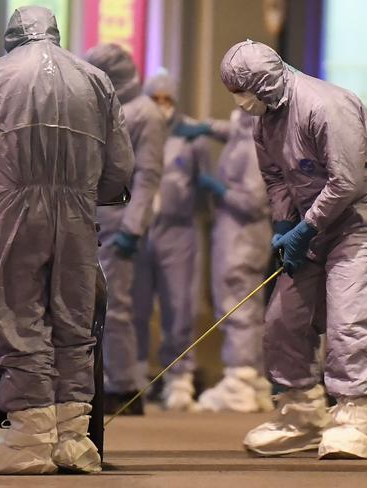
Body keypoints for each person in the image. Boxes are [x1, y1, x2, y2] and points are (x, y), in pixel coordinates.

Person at [0, 6, 134, 474]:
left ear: (12, 35)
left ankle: (30, 439)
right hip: (77, 211)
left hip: (14, 206)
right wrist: (93, 194)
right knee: (74, 319)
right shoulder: (94, 79)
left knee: (18, 313)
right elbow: (119, 165)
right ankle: (73, 439)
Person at [220, 39, 367, 459]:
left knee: (349, 316)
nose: (241, 102)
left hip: (363, 221)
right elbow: (276, 179)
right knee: (284, 317)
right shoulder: (265, 121)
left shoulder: (325, 106)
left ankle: (354, 415)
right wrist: (285, 225)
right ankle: (301, 413)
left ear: (264, 83)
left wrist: (305, 228)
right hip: (311, 221)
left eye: (243, 91)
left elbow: (347, 181)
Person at [85, 44, 166, 415]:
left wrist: (135, 225)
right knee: (96, 305)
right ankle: (104, 379)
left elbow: (148, 176)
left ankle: (124, 386)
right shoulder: (110, 107)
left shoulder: (145, 112)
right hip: (99, 217)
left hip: (122, 222)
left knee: (116, 306)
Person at [131, 70, 211, 410]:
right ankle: (131, 373)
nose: (162, 106)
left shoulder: (191, 135)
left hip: (178, 230)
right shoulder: (134, 127)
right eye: (156, 99)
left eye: (168, 100)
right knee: (134, 305)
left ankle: (179, 377)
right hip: (138, 228)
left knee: (179, 306)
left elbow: (203, 182)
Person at [194, 108, 274, 413]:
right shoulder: (252, 132)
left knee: (236, 306)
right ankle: (252, 380)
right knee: (249, 310)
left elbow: (253, 201)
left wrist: (219, 189)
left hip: (241, 239)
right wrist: (207, 127)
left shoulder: (255, 145)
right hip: (245, 239)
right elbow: (235, 130)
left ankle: (239, 381)